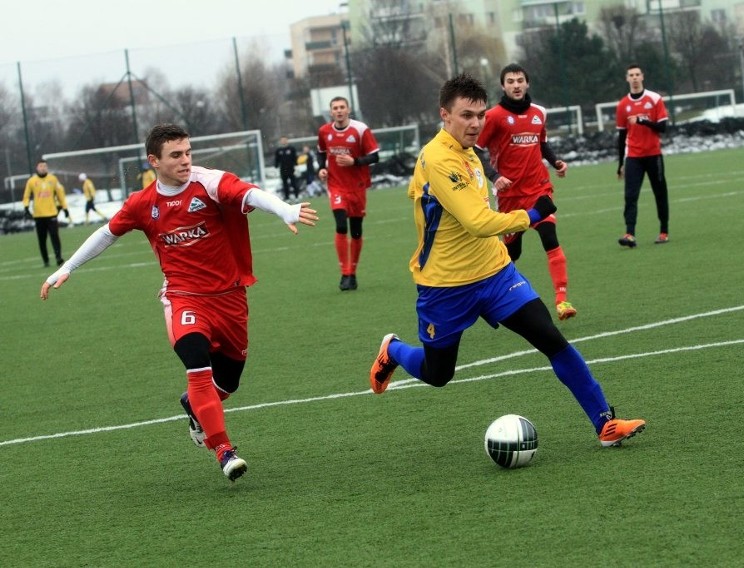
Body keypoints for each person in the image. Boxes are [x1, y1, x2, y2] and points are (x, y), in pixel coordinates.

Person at [368, 74, 646, 449]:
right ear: (444, 115)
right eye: (466, 115)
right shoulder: (438, 158)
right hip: (445, 285)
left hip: (497, 275)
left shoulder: (468, 152)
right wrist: (532, 215)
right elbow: (478, 222)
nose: (475, 123)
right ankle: (394, 350)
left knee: (551, 338)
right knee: (438, 374)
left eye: (480, 115)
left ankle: (605, 423)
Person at [39, 123, 319, 482]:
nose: (186, 160)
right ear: (154, 161)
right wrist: (67, 268)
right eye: (176, 155)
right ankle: (223, 450)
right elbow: (107, 233)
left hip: (230, 297)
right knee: (198, 366)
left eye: (188, 152)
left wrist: (284, 210)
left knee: (228, 383)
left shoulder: (210, 182)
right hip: (183, 298)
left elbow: (250, 194)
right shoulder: (143, 203)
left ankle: (193, 406)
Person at [475, 63, 576, 321]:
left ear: (527, 83)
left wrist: (556, 163)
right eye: (510, 81)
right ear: (503, 86)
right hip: (510, 196)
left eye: (520, 80)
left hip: (538, 188)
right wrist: (495, 177)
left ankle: (562, 301)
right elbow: (476, 150)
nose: (516, 85)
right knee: (512, 253)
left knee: (549, 236)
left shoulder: (538, 113)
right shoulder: (494, 116)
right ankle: (489, 298)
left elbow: (542, 143)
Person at [316, 96, 380, 291]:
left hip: (357, 187)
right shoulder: (324, 131)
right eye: (335, 108)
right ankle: (345, 273)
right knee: (341, 226)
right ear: (331, 112)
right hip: (336, 186)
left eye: (342, 107)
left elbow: (375, 156)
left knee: (356, 230)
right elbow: (321, 152)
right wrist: (321, 169)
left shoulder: (360, 130)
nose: (339, 110)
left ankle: (353, 272)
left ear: (348, 109)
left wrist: (355, 162)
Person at [615, 64, 671, 247]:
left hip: (654, 155)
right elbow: (621, 136)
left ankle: (664, 231)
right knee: (630, 195)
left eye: (637, 74)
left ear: (643, 76)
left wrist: (642, 120)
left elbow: (662, 127)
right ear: (627, 78)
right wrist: (620, 163)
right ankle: (630, 234)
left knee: (660, 193)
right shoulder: (623, 105)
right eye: (631, 75)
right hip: (633, 157)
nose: (635, 78)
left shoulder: (655, 99)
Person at [22, 159, 69, 267]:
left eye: (45, 166)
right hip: (38, 215)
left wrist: (65, 208)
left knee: (55, 237)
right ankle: (46, 260)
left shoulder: (53, 179)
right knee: (42, 239)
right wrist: (26, 208)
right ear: (37, 168)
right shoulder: (32, 181)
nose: (43, 168)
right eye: (41, 166)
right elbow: (26, 195)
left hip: (52, 213)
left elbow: (60, 194)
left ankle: (58, 258)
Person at [274, 136, 299, 201]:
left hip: (291, 169)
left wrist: (296, 166)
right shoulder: (278, 150)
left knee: (294, 183)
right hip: (283, 170)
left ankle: (297, 196)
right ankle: (287, 198)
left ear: (287, 140)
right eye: (282, 140)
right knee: (285, 185)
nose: (284, 141)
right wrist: (276, 167)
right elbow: (277, 160)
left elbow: (295, 158)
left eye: (285, 140)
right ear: (280, 141)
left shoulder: (291, 149)